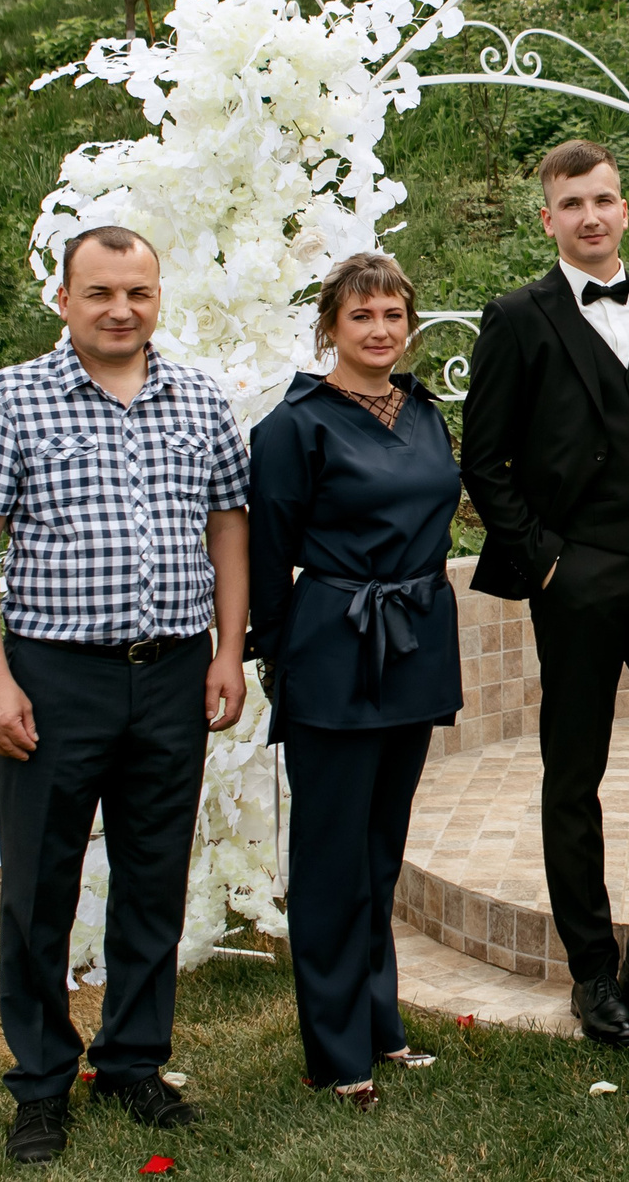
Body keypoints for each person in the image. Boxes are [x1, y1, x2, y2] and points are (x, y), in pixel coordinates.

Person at [0, 227, 252, 1166]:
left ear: (159, 296)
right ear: (65, 299)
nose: (121, 309)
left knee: (153, 882)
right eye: (101, 293)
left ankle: (131, 1063)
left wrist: (228, 651)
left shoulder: (200, 399)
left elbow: (229, 528)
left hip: (171, 674)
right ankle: (40, 1083)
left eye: (138, 292)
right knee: (39, 889)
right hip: (54, 680)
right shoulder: (10, 398)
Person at [460, 140, 629, 1047]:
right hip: (577, 579)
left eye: (604, 199)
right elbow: (482, 458)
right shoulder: (518, 316)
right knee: (574, 775)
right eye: (573, 204)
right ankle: (591, 971)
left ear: (624, 206)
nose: (593, 216)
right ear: (549, 219)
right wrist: (547, 561)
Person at [247, 253, 463, 1109]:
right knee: (333, 858)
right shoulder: (294, 426)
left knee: (380, 853)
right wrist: (269, 654)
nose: (380, 330)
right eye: (363, 316)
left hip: (412, 644)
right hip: (336, 648)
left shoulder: (424, 411)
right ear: (330, 326)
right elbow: (267, 554)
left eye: (394, 316)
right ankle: (338, 1054)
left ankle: (382, 1027)